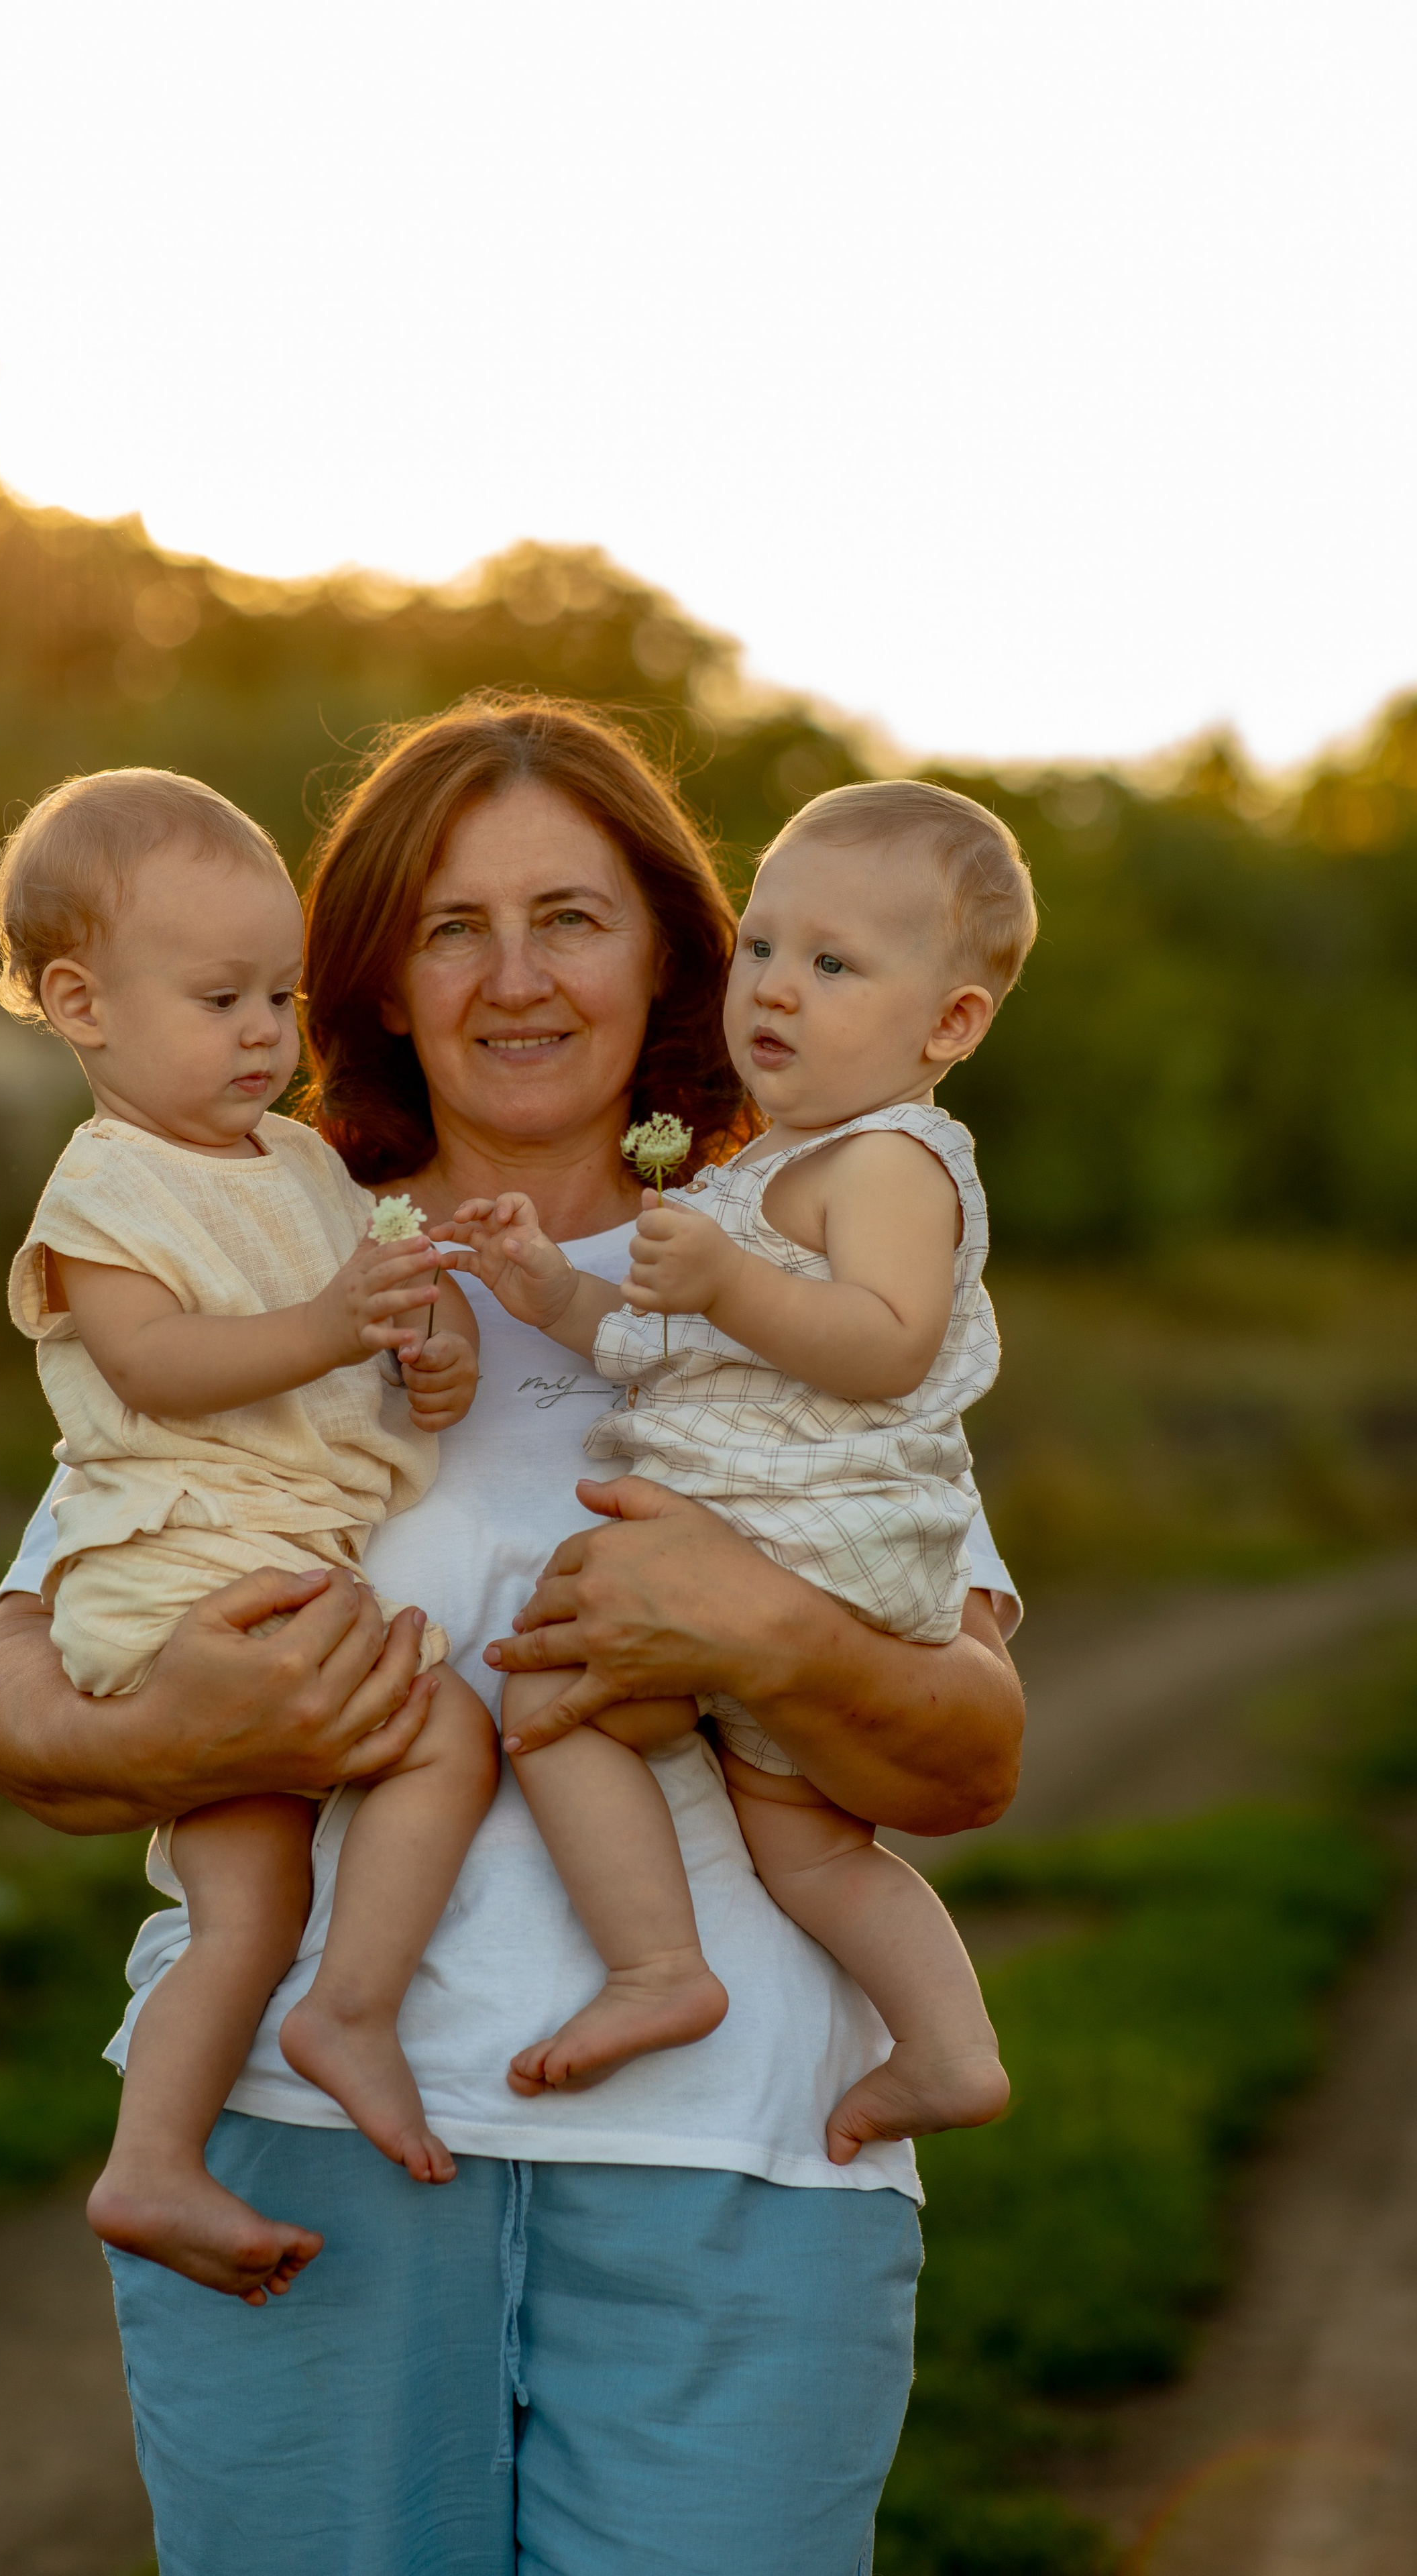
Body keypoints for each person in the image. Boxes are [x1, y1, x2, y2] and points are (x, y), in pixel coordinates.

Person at [0, 698, 1026, 2576]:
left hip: (740, 2165)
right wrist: (176, 1732)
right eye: (454, 926)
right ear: (375, 975)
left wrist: (762, 1633)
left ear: (672, 959)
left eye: (572, 920)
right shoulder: (274, 1253)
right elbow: (17, 1701)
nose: (515, 978)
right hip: (302, 2141)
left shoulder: (789, 1279)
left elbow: (969, 1756)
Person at [443, 779, 1031, 2161]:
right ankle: (948, 2050)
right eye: (761, 946)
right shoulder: (764, 1171)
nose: (773, 986)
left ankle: (660, 1967)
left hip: (809, 1540)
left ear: (949, 1024)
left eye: (833, 964)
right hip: (771, 1531)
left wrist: (724, 1280)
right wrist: (551, 1295)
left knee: (549, 1678)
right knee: (808, 1846)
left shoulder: (889, 1160)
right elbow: (672, 1349)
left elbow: (888, 1345)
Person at [0, 768, 500, 2298]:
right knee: (435, 1744)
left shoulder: (303, 1167)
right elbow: (156, 1368)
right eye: (219, 999)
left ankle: (172, 2148)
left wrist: (428, 1352)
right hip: (184, 1565)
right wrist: (329, 1325)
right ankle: (325, 2030)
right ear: (81, 1004)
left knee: (257, 1892)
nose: (264, 1035)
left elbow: (374, 1320)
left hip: (272, 1552)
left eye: (279, 997)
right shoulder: (106, 1190)